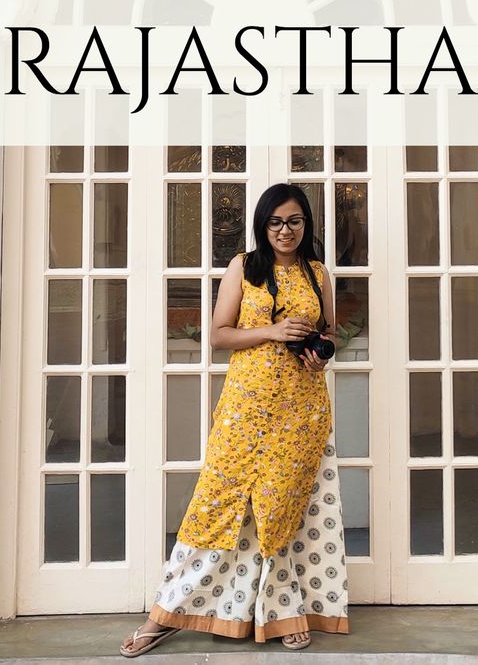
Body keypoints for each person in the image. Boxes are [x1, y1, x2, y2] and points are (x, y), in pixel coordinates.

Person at [120, 182, 350, 655]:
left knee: (282, 509)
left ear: (307, 225)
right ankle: (166, 613)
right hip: (247, 407)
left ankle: (283, 610)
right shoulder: (244, 267)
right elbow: (219, 335)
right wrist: (273, 330)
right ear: (262, 225)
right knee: (216, 505)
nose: (285, 231)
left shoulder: (317, 272)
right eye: (276, 222)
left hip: (301, 411)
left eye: (295, 221)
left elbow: (328, 331)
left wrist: (319, 354)